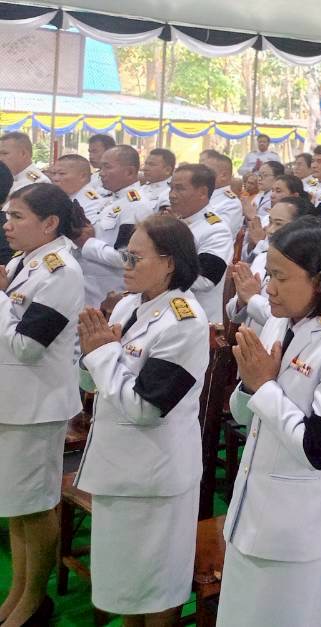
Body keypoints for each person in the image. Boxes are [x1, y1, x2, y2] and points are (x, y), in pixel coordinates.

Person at [218, 217, 321, 626]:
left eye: (281, 277)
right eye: (269, 274)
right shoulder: (279, 323)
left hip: (297, 528)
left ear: (318, 280)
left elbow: (316, 449)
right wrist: (250, 389)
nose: (268, 287)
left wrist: (264, 386)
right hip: (251, 510)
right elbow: (241, 414)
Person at [75, 213, 208, 626]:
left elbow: (145, 409)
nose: (125, 267)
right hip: (121, 468)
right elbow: (94, 379)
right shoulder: (133, 304)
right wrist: (92, 352)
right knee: (128, 590)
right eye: (125, 257)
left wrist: (101, 354)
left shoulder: (185, 322)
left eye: (135, 259)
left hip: (155, 477)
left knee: (156, 589)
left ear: (169, 263)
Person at [0, 184, 86, 627]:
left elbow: (30, 346)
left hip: (37, 406)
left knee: (34, 504)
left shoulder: (61, 271)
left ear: (49, 223)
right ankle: (18, 589)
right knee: (16, 503)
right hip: (14, 401)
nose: (7, 225)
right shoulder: (25, 261)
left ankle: (35, 599)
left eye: (17, 217)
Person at [227, 196, 321, 335]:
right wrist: (242, 301)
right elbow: (233, 313)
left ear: (301, 227)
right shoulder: (262, 257)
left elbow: (288, 318)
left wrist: (251, 298)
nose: (270, 230)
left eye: (278, 224)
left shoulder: (306, 266)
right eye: (270, 222)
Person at [75, 145, 153, 310]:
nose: (101, 172)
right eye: (101, 167)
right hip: (91, 292)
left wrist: (88, 243)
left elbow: (129, 259)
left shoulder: (136, 205)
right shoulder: (112, 200)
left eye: (107, 167)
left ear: (130, 172)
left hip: (110, 295)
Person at [164, 164, 234, 324]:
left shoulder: (216, 229)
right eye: (171, 188)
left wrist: (158, 271)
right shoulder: (178, 222)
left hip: (195, 320)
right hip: (167, 314)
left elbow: (205, 279)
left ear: (202, 192)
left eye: (180, 189)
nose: (172, 195)